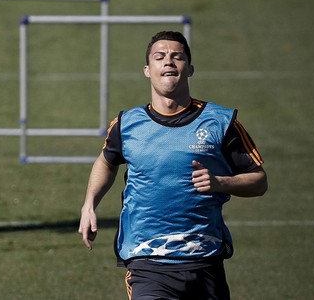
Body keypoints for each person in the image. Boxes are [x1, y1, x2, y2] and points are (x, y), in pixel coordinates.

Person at [78, 31, 267, 299]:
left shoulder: (221, 123)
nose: (169, 62)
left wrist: (220, 182)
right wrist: (89, 205)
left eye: (177, 56)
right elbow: (106, 161)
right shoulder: (126, 124)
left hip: (205, 260)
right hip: (147, 262)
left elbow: (259, 180)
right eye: (160, 57)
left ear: (189, 69)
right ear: (147, 70)